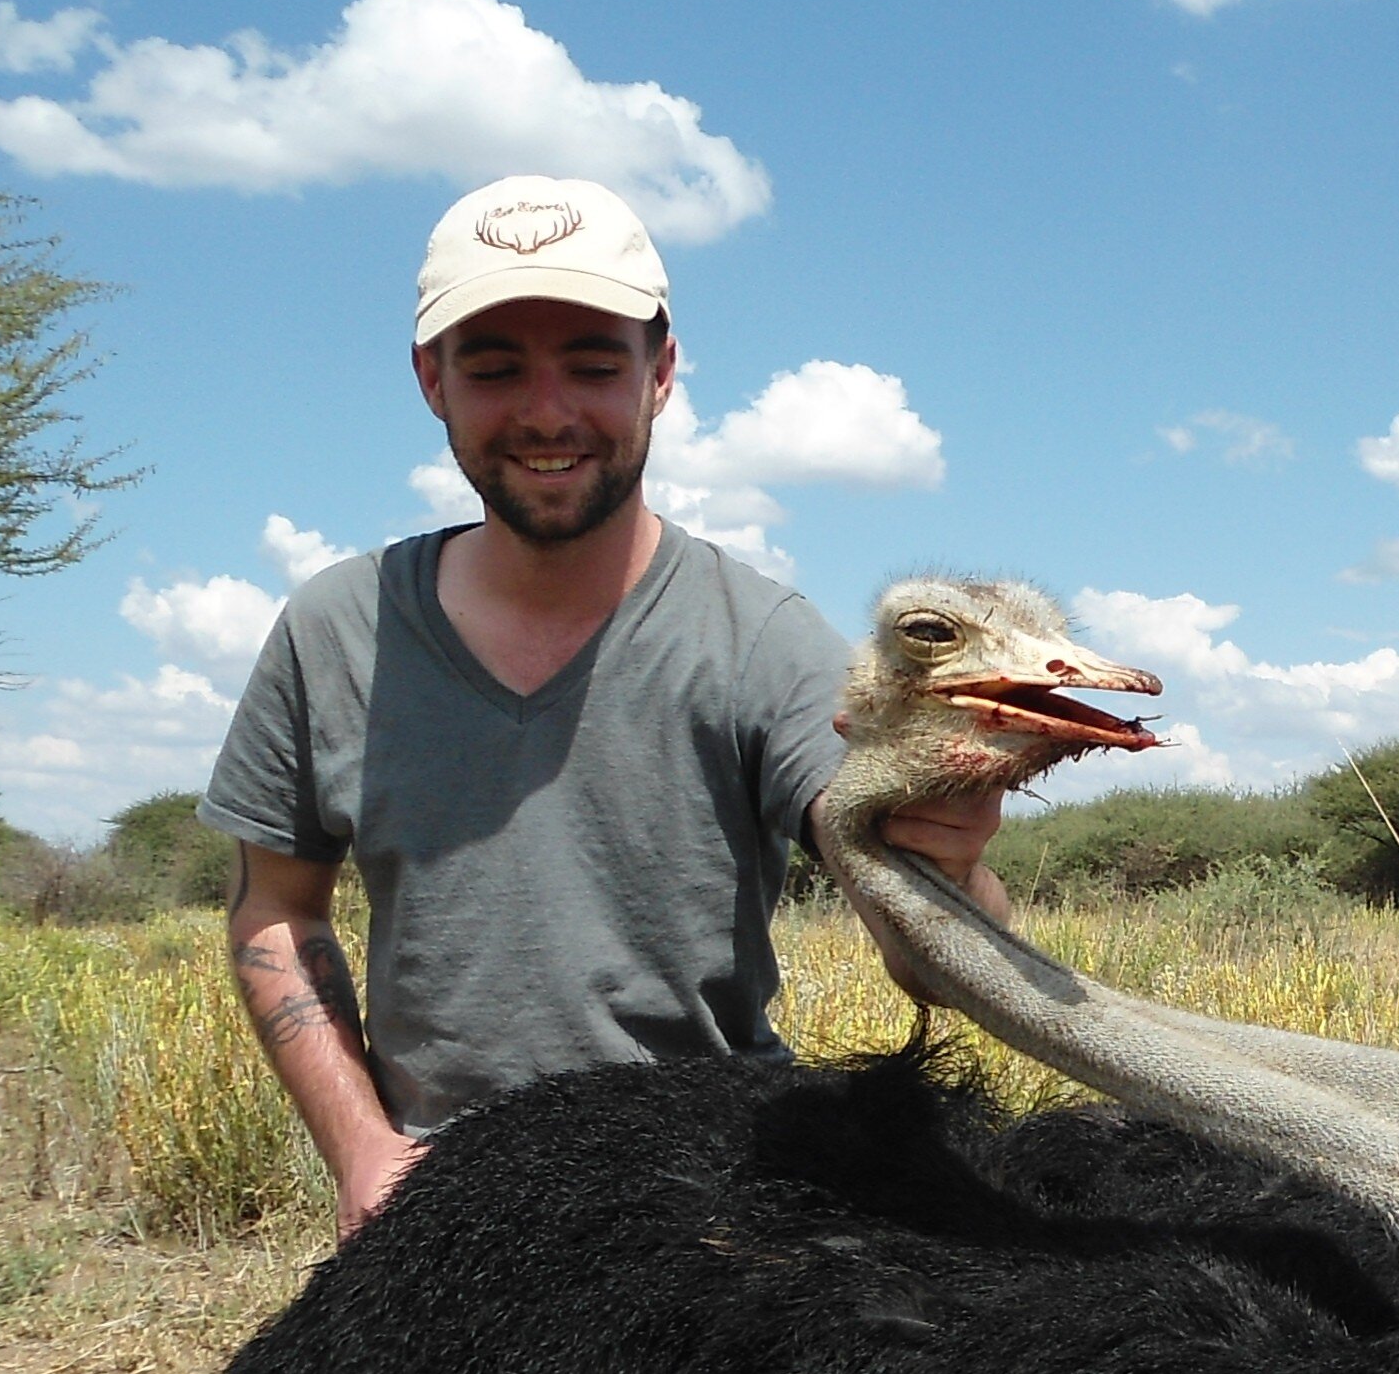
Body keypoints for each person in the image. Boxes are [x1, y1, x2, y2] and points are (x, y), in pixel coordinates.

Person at [195, 173, 1012, 1234]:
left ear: (660, 373)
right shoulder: (336, 630)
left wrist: (948, 868)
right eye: (494, 370)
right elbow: (277, 909)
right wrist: (364, 1157)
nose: (546, 412)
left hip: (708, 1197)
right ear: (430, 381)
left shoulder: (763, 642)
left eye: (592, 365)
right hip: (443, 1201)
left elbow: (928, 950)